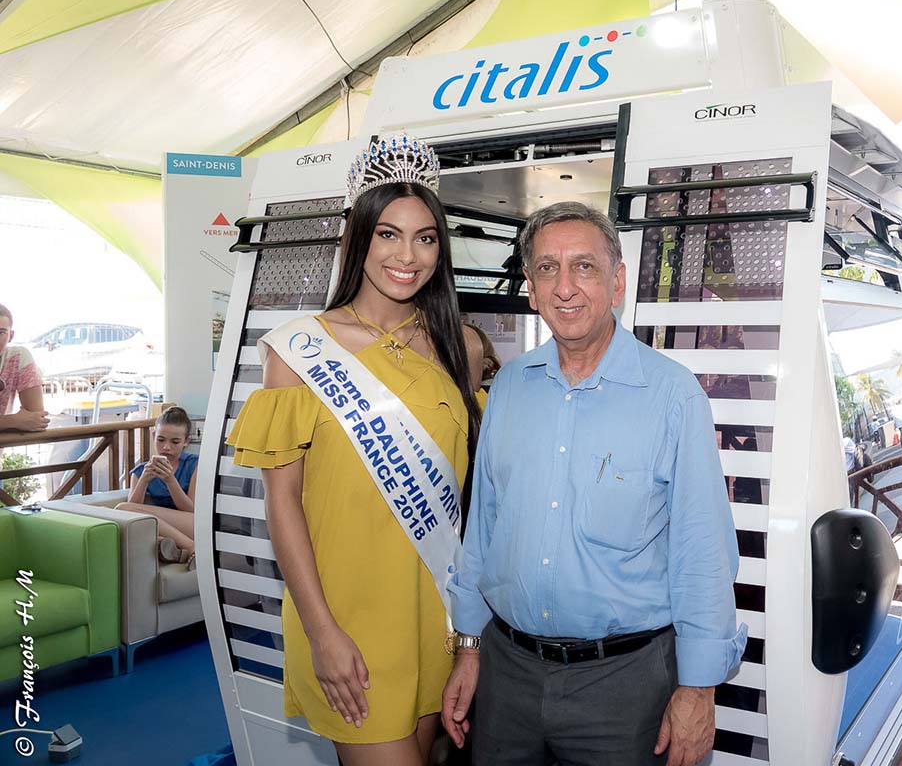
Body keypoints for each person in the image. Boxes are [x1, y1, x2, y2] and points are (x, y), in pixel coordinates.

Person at [442, 202, 745, 766]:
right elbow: (481, 529)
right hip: (507, 678)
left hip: (626, 690)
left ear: (617, 281)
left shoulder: (674, 398)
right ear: (529, 288)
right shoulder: (508, 387)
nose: (565, 288)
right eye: (547, 269)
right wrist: (469, 646)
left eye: (583, 266)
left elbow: (702, 555)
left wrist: (698, 689)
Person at [226, 133, 483, 766]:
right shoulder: (297, 349)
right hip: (349, 622)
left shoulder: (463, 347)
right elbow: (282, 504)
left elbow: (471, 499)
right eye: (388, 234)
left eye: (425, 237)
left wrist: (470, 639)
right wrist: (321, 632)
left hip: (437, 620)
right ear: (357, 238)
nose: (408, 255)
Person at [118, 406, 199, 569]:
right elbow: (131, 509)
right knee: (125, 514)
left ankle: (191, 547)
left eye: (175, 442)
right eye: (161, 440)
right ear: (154, 435)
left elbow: (191, 510)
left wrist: (170, 481)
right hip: (163, 527)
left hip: (191, 523)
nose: (166, 447)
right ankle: (176, 551)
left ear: (186, 441)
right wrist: (144, 481)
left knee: (122, 509)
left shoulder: (194, 464)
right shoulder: (140, 471)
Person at [0, 303, 48, 433]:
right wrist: (14, 421)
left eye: (1, 332)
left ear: (11, 335)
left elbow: (37, 418)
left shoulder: (17, 357)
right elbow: (27, 420)